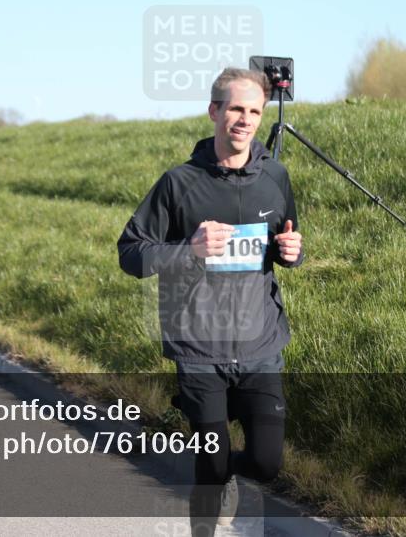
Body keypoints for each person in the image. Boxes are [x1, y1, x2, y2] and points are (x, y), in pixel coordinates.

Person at [118, 68, 304, 534]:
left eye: (255, 111)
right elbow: (131, 254)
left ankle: (231, 479)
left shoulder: (276, 178)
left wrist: (293, 254)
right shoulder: (179, 184)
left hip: (260, 344)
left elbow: (286, 241)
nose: (245, 120)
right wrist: (189, 249)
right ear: (214, 112)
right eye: (236, 108)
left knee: (264, 463)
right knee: (210, 463)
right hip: (200, 349)